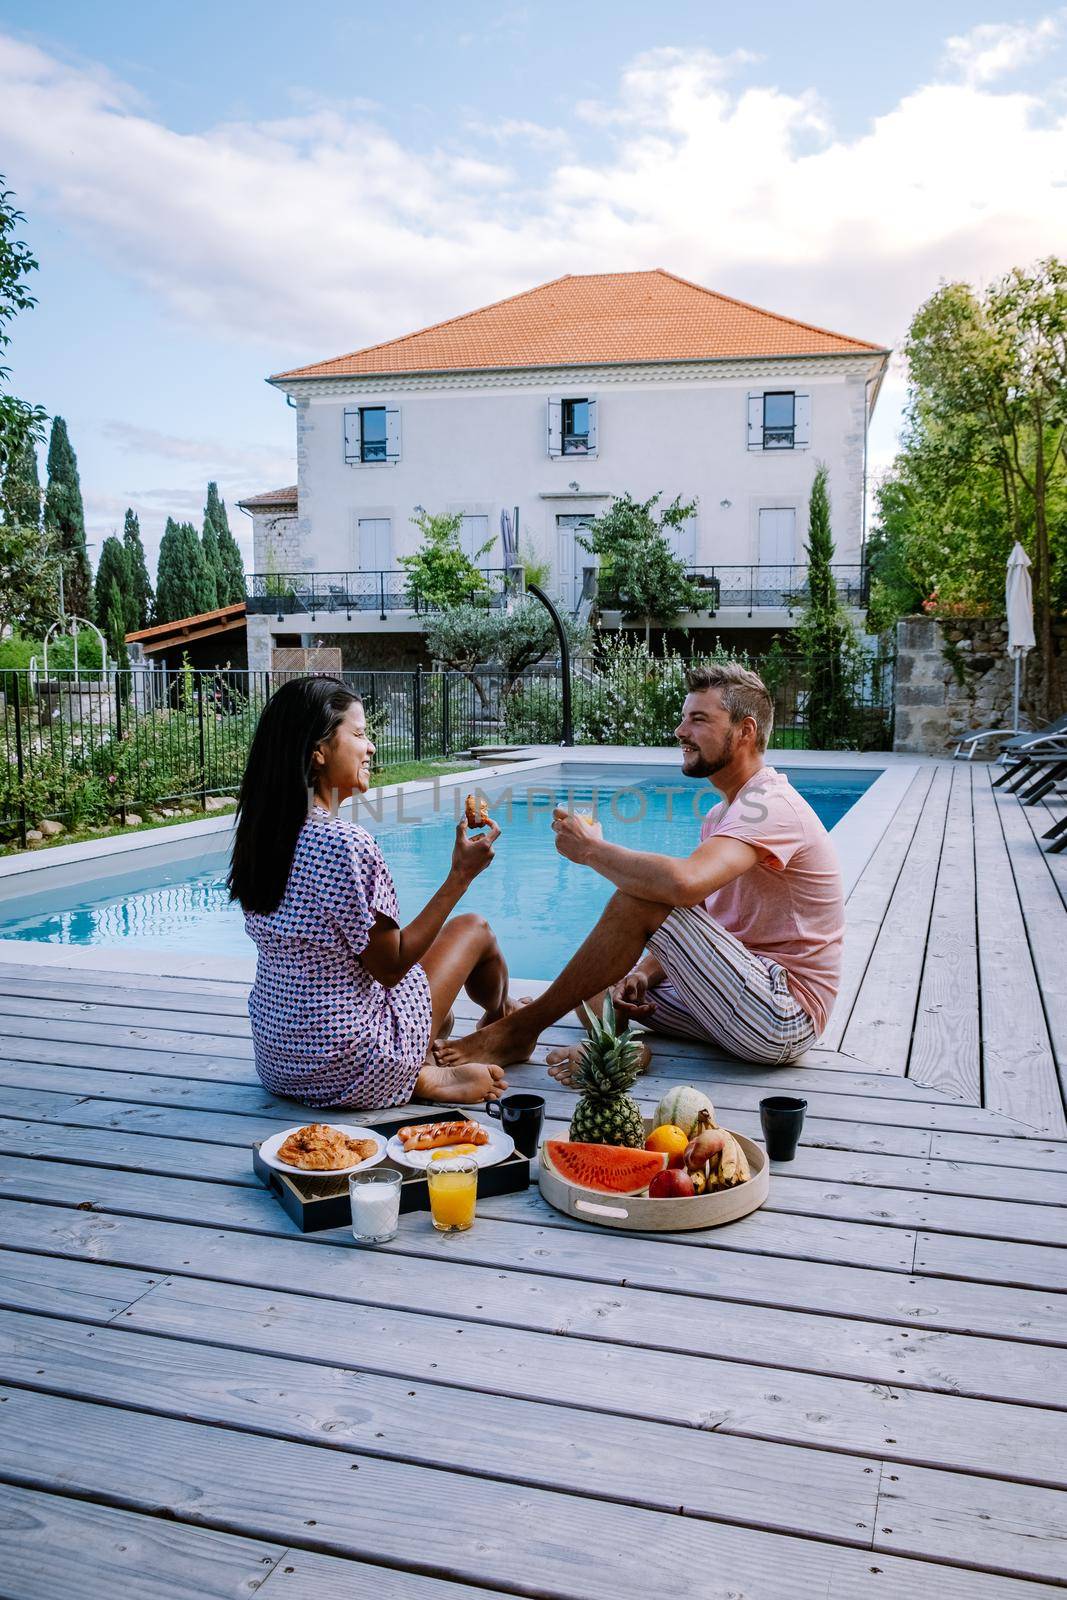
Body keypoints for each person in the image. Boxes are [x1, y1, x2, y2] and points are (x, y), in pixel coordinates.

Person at [435, 660, 844, 1075]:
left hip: (781, 1014)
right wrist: (644, 973)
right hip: (736, 997)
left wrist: (593, 850)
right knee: (594, 988)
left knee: (640, 901)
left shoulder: (772, 805)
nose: (681, 732)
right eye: (683, 719)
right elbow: (704, 916)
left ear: (746, 731)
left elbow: (683, 887)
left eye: (698, 720)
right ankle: (631, 1051)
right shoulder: (723, 815)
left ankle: (519, 1030)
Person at [228, 675, 513, 1108]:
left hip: (280, 1058)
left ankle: (448, 1043)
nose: (371, 747)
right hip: (350, 1058)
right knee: (476, 928)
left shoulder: (262, 836)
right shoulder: (346, 842)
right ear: (317, 752)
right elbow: (392, 967)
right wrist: (460, 876)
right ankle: (499, 1026)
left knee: (442, 1006)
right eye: (359, 734)